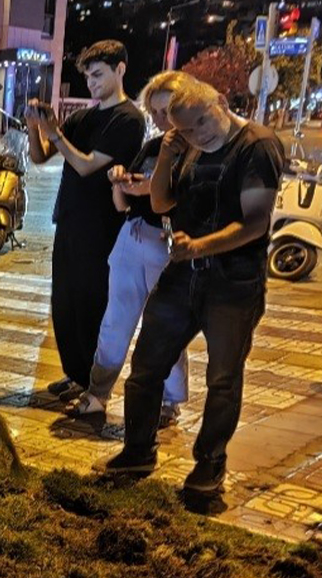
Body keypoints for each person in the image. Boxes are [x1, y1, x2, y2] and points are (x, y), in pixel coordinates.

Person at [100, 76, 285, 498]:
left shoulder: (256, 145)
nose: (197, 134)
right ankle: (138, 450)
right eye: (184, 129)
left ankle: (209, 464)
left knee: (223, 377)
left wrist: (200, 245)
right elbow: (162, 202)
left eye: (201, 122)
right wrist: (167, 153)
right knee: (146, 366)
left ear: (220, 101)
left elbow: (256, 221)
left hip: (233, 281)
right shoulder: (184, 144)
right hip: (183, 274)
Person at [66, 71, 190, 424]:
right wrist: (118, 181)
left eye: (168, 110)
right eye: (155, 111)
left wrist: (148, 188)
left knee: (166, 326)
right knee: (114, 320)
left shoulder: (198, 152)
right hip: (133, 236)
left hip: (170, 246)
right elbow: (122, 204)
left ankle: (170, 401)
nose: (160, 119)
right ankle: (97, 393)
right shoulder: (152, 147)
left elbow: (171, 200)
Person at [27, 40, 146, 400]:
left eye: (98, 75)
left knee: (92, 304)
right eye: (88, 76)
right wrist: (37, 125)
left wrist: (55, 133)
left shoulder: (128, 118)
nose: (92, 83)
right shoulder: (83, 116)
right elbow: (40, 156)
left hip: (101, 227)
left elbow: (85, 164)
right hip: (68, 222)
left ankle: (93, 383)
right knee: (64, 303)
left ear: (120, 69)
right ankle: (75, 373)